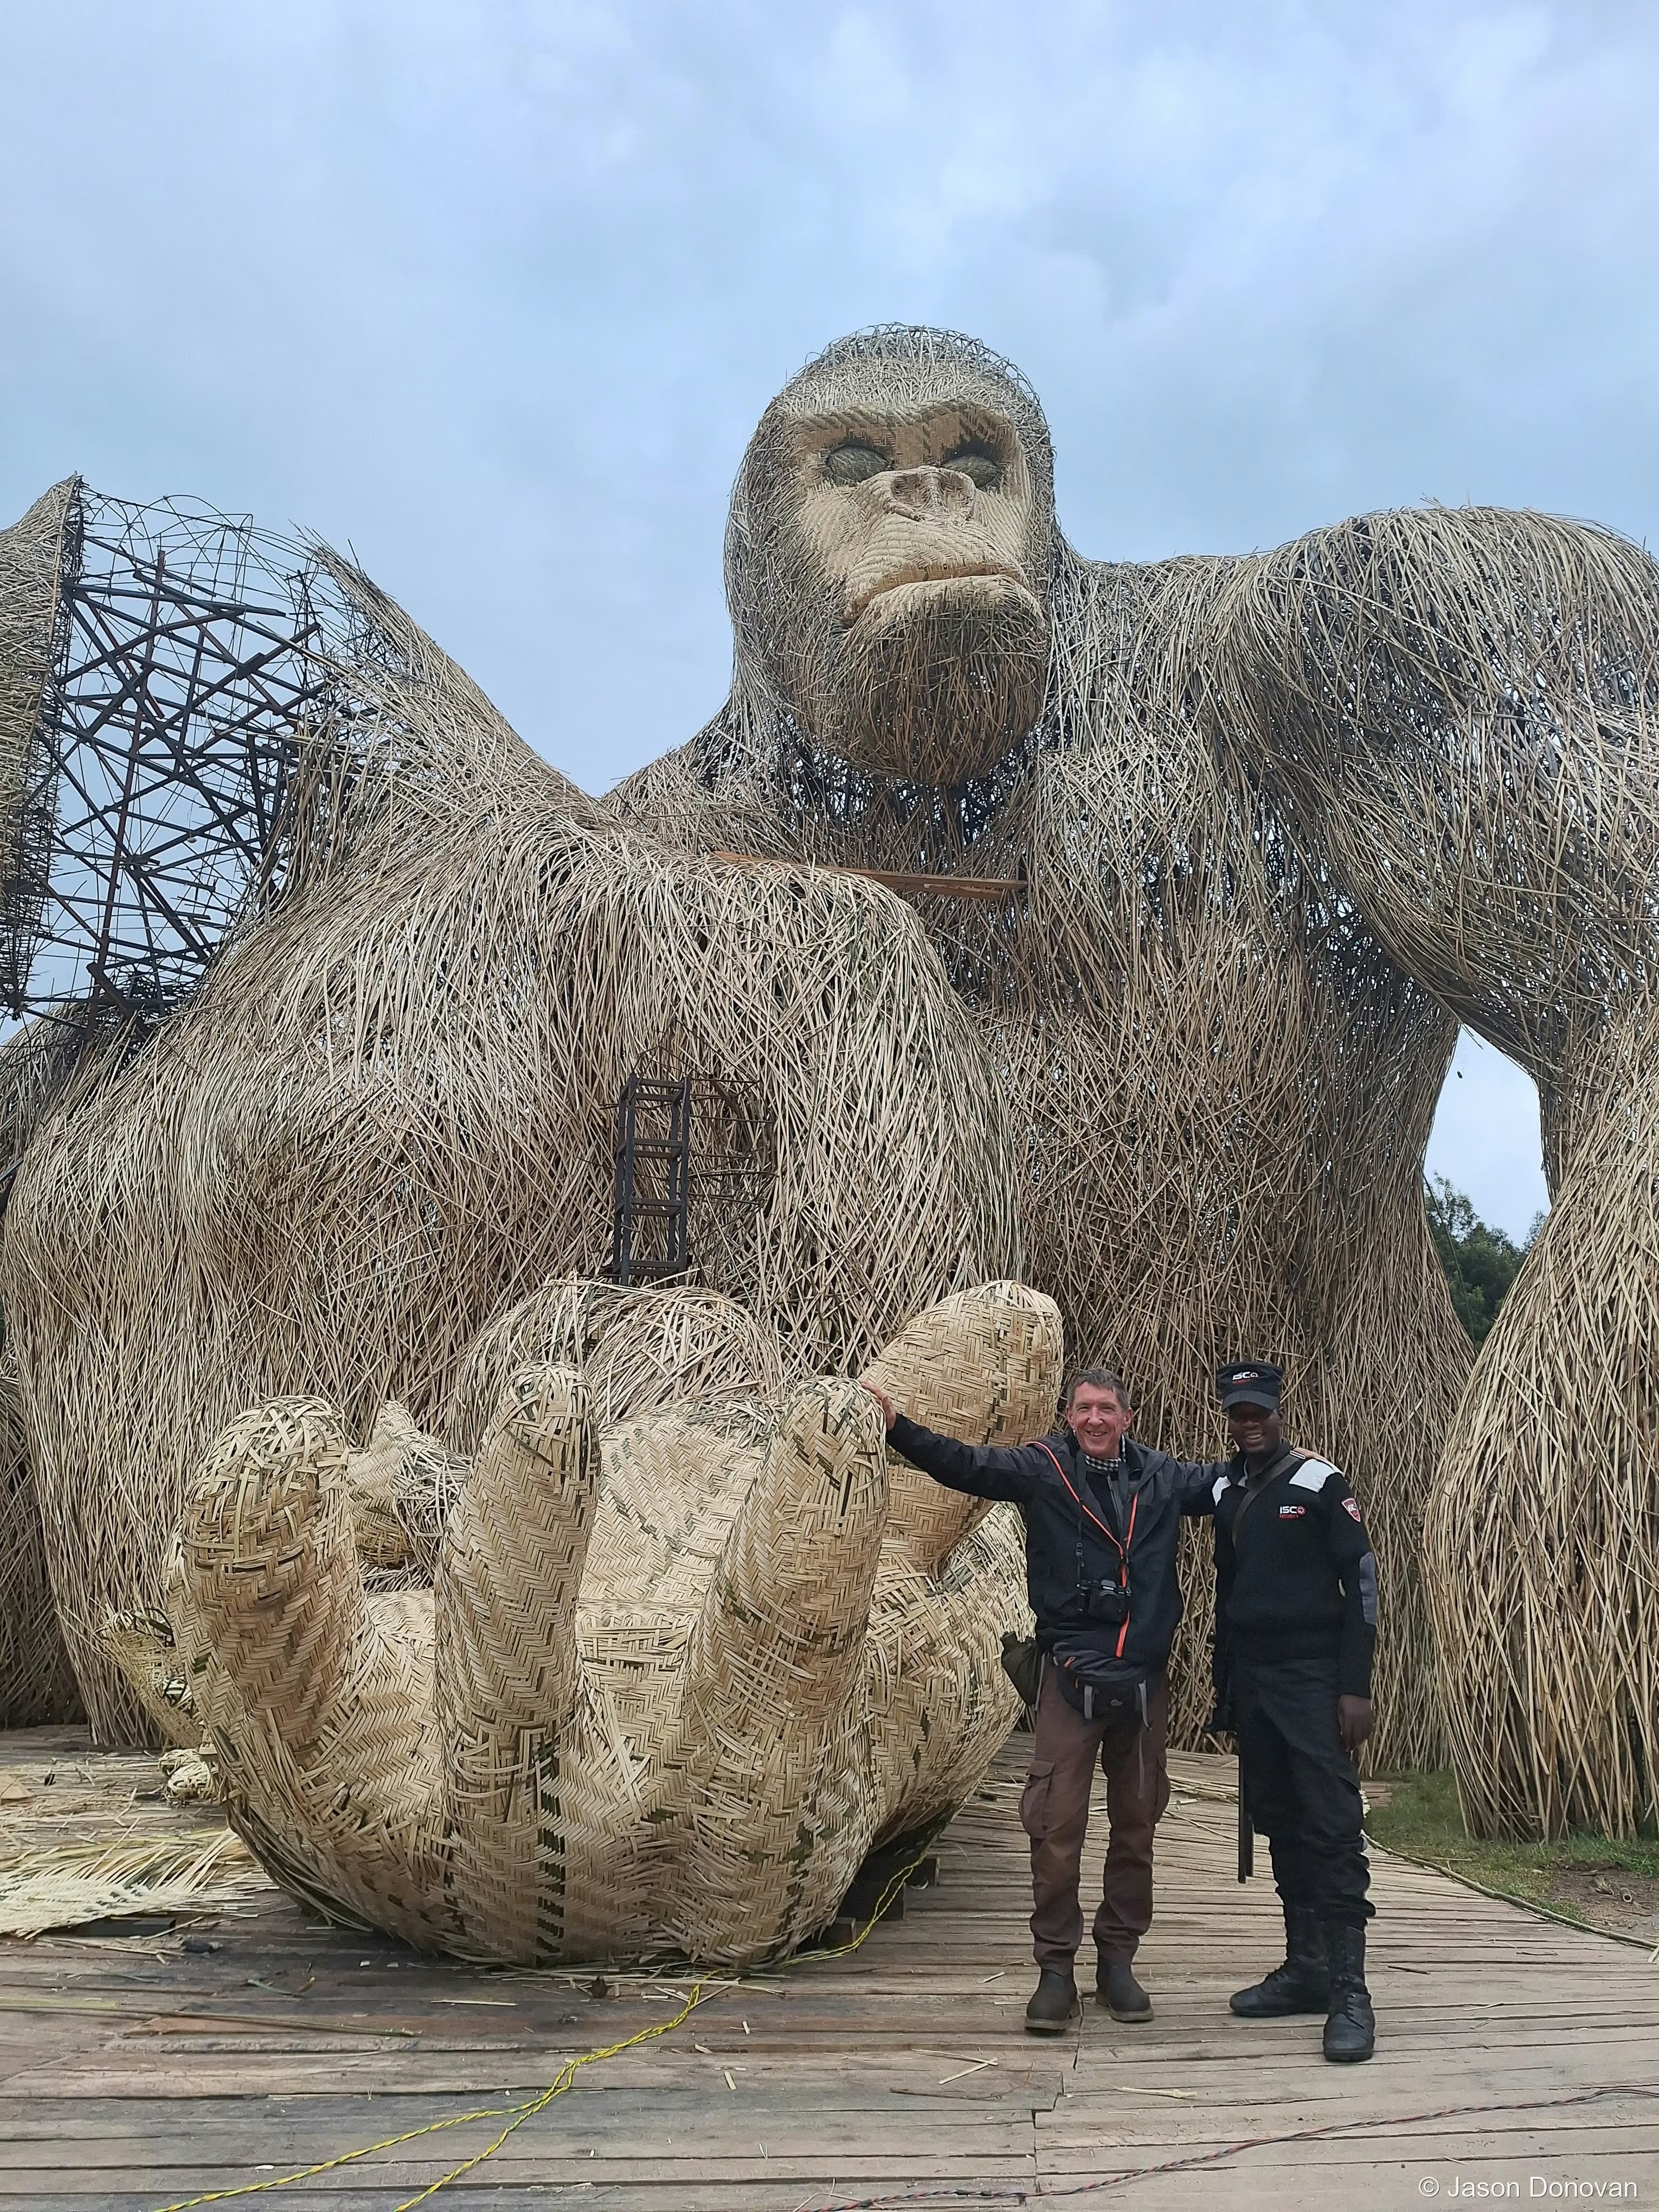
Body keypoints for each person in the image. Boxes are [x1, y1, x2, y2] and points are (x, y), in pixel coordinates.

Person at [861, 1366, 1219, 2035]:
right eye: (1083, 1409)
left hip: (1142, 1686)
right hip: (1069, 1680)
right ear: (1068, 1415)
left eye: (1106, 1408)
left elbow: (1234, 1484)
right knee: (1054, 1827)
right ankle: (1056, 1970)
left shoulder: (1164, 1478)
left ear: (1128, 1417)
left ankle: (1117, 1963)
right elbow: (966, 1465)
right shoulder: (1043, 1469)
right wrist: (897, 1428)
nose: (1094, 1419)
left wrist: (1287, 1463)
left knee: (1136, 1828)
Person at [1208, 1360, 1378, 2063]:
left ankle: (1349, 1991)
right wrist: (1226, 1689)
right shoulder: (1224, 1489)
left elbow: (1360, 1580)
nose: (1250, 1424)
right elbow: (1229, 1590)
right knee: (1278, 1816)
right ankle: (1305, 1967)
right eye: (1238, 1414)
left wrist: (1354, 1687)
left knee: (1331, 1824)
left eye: (1260, 1412)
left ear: (1278, 1411)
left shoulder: (1319, 1483)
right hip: (1255, 1681)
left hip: (1314, 1679)